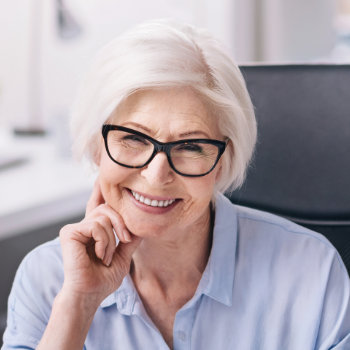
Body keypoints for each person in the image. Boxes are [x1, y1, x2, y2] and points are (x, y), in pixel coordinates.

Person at [2, 19, 350, 350]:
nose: (156, 174)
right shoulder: (49, 278)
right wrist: (78, 305)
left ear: (223, 161)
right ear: (97, 148)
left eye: (191, 146)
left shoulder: (312, 272)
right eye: (133, 138)